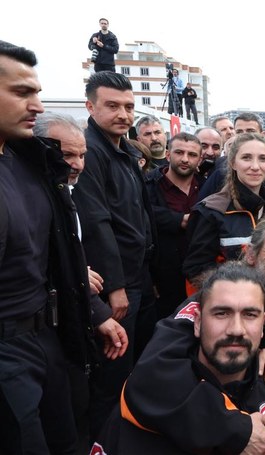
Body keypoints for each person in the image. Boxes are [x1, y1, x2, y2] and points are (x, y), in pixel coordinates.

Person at [0, 40, 125, 453]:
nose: (36, 105)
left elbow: (55, 261)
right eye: (22, 92)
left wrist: (96, 314)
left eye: (37, 92)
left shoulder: (31, 170)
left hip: (48, 340)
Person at [92, 262, 265, 454]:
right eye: (221, 313)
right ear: (196, 321)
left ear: (263, 324)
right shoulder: (149, 399)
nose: (236, 329)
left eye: (249, 315)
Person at [72, 70, 156, 438]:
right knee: (112, 374)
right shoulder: (89, 152)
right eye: (112, 106)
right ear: (90, 106)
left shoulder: (123, 150)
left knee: (130, 369)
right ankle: (102, 442)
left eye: (128, 107)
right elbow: (96, 223)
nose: (123, 114)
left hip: (137, 277)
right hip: (114, 286)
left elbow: (136, 216)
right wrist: (117, 288)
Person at [183, 133, 265, 290]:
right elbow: (197, 270)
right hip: (231, 304)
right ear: (233, 163)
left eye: (263, 159)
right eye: (246, 158)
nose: (255, 166)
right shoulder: (211, 211)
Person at [145, 132, 203, 318]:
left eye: (192, 155)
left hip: (199, 279)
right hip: (162, 281)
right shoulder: (149, 185)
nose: (185, 159)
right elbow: (141, 216)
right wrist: (178, 220)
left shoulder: (207, 187)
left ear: (200, 159)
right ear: (168, 154)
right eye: (179, 152)